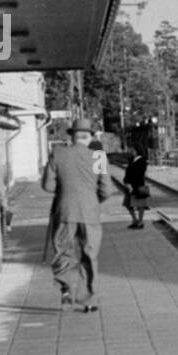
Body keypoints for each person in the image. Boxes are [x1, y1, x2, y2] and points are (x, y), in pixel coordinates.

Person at [41, 118, 111, 313]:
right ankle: (89, 300)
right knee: (90, 256)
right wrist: (92, 200)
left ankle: (65, 290)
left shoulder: (58, 154)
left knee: (63, 251)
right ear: (89, 137)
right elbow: (107, 190)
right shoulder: (99, 157)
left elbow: (48, 185)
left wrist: (64, 191)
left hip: (64, 211)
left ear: (71, 136)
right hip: (90, 214)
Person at [122, 143, 151, 229]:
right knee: (128, 204)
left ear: (137, 151)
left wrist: (130, 182)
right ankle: (134, 220)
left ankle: (140, 221)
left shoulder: (142, 161)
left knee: (140, 205)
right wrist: (126, 181)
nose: (130, 151)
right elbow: (128, 172)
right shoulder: (131, 160)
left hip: (138, 185)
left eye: (132, 149)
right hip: (129, 185)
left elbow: (139, 174)